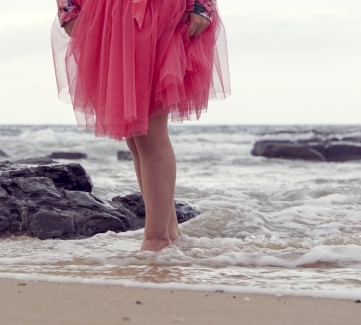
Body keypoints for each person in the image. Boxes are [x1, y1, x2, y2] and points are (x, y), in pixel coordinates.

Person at [52, 0, 230, 251]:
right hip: (107, 13)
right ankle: (169, 235)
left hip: (158, 12)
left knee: (148, 132)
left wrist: (202, 5)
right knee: (136, 135)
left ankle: (156, 241)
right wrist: (68, 9)